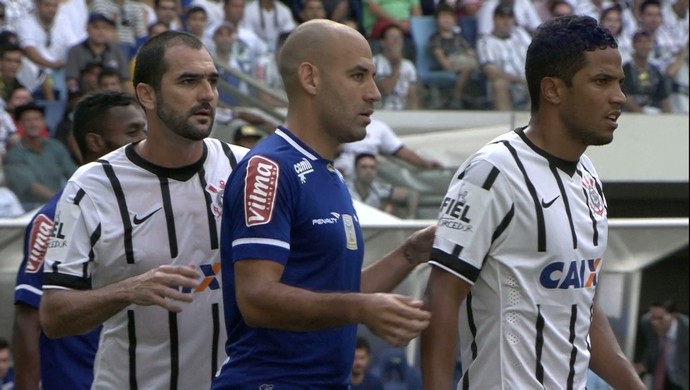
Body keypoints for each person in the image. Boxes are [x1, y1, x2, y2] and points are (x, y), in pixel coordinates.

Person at [420, 15, 645, 389]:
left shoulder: (588, 175)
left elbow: (581, 303)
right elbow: (442, 297)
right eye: (602, 81)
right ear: (553, 90)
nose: (619, 96)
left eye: (619, 83)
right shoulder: (491, 172)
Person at [212, 19, 434, 388]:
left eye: (373, 76)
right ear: (310, 79)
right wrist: (361, 309)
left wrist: (411, 253)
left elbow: (339, 294)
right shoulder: (268, 168)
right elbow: (255, 298)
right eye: (358, 75)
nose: (374, 93)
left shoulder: (328, 173)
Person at [38, 31, 247, 389]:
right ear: (146, 94)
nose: (207, 95)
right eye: (188, 81)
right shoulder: (89, 186)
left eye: (212, 81)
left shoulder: (244, 168)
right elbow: (54, 316)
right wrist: (128, 290)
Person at [12, 90, 147, 390]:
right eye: (133, 132)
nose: (144, 140)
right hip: (80, 381)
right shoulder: (56, 216)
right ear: (96, 142)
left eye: (145, 130)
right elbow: (27, 319)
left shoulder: (147, 205)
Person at [4, 102, 77, 209]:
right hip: (28, 209)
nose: (33, 124)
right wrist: (60, 202)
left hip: (58, 205)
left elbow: (73, 174)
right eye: (28, 120)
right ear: (20, 125)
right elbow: (32, 187)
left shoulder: (56, 146)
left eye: (37, 119)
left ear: (44, 122)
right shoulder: (14, 154)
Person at [334, 116, 442, 178]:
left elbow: (399, 150)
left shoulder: (379, 127)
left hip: (367, 175)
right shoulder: (339, 122)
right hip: (340, 173)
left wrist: (425, 164)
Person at [476, 3, 531, 111]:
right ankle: (505, 125)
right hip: (508, 84)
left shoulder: (520, 34)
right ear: (494, 19)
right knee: (499, 83)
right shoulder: (485, 41)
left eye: (509, 17)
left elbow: (538, 55)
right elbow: (491, 71)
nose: (506, 22)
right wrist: (520, 80)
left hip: (529, 81)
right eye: (502, 17)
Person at [428, 3, 479, 109]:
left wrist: (473, 57)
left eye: (449, 16)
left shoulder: (459, 37)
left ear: (454, 20)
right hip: (452, 60)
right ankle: (457, 97)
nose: (447, 19)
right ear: (437, 20)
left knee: (471, 65)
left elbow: (470, 50)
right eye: (443, 16)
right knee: (469, 66)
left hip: (465, 60)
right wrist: (447, 65)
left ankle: (460, 97)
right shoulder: (436, 38)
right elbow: (440, 55)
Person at [635, 300, 689, 390]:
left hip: (683, 378)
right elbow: (650, 346)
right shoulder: (646, 323)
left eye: (660, 318)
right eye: (653, 317)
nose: (655, 322)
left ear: (673, 316)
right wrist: (643, 364)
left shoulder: (686, 329)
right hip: (661, 376)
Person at [347, 152, 419, 218]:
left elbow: (412, 194)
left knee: (389, 208)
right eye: (363, 167)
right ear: (356, 169)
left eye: (372, 167)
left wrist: (410, 216)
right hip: (349, 225)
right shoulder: (345, 188)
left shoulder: (379, 189)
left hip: (371, 227)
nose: (368, 171)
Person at [622, 29, 672, 114]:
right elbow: (625, 98)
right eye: (641, 42)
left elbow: (664, 99)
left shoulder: (656, 72)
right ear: (634, 45)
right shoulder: (625, 70)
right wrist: (642, 116)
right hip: (630, 115)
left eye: (648, 42)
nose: (644, 46)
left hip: (654, 113)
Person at [373, 23, 419, 110]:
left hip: (403, 115)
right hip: (381, 112)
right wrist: (397, 66)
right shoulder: (375, 62)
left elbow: (413, 98)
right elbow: (385, 90)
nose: (396, 41)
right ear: (383, 42)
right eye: (392, 37)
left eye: (399, 37)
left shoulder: (409, 66)